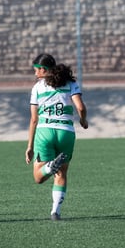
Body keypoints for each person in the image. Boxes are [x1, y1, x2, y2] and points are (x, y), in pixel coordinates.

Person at [25, 53, 88, 221]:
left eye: (36, 70)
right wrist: (83, 121)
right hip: (66, 132)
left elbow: (33, 119)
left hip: (45, 131)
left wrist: (30, 146)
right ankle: (55, 212)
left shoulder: (38, 87)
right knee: (61, 173)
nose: (35, 74)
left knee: (39, 177)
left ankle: (50, 166)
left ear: (43, 70)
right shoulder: (71, 83)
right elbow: (80, 108)